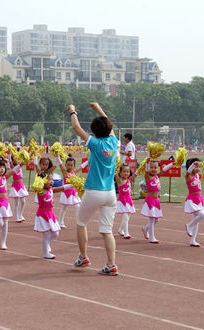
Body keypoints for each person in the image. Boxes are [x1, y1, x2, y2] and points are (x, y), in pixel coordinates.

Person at [68, 102, 119, 276]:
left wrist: (73, 110)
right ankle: (111, 264)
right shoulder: (113, 141)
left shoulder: (95, 144)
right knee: (107, 230)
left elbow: (76, 126)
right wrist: (98, 109)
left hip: (94, 191)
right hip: (111, 193)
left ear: (95, 131)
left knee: (81, 223)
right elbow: (109, 125)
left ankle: (83, 256)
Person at [34, 172, 73, 259]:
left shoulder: (51, 189)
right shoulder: (40, 191)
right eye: (49, 180)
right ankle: (45, 253)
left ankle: (47, 244)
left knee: (55, 233)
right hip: (42, 214)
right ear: (42, 181)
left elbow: (61, 188)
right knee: (46, 234)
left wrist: (72, 185)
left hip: (50, 213)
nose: (51, 182)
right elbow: (37, 184)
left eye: (52, 180)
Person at [0, 159, 20, 250]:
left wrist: (20, 164)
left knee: (5, 222)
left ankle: (3, 243)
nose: (2, 169)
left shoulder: (4, 177)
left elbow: (13, 171)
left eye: (3, 167)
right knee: (0, 223)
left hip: (5, 201)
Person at [184, 158, 204, 247]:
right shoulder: (188, 176)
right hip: (192, 198)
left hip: (199, 198)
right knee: (201, 215)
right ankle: (189, 225)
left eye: (198, 167)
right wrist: (193, 165)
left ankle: (193, 240)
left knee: (197, 220)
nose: (198, 169)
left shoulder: (198, 176)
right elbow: (188, 172)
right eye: (196, 167)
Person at [140, 159, 163, 244]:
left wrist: (173, 164)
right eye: (151, 167)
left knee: (156, 219)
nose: (153, 169)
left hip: (156, 200)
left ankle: (145, 228)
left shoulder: (157, 176)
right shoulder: (148, 176)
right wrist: (147, 163)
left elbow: (164, 170)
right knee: (152, 219)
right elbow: (146, 171)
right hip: (150, 199)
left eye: (155, 167)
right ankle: (152, 237)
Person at [56, 154, 81, 228]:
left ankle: (79, 222)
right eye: (68, 165)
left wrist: (88, 161)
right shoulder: (64, 172)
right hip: (66, 193)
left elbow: (81, 167)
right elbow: (60, 164)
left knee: (77, 206)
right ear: (65, 165)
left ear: (74, 166)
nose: (69, 167)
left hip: (73, 192)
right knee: (64, 207)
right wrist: (57, 156)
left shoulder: (74, 172)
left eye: (71, 165)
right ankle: (60, 222)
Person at [115, 164, 135, 239]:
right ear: (120, 172)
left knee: (128, 216)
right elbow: (115, 174)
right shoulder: (119, 180)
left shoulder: (129, 180)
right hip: (122, 200)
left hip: (129, 200)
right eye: (124, 171)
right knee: (125, 216)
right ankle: (126, 233)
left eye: (128, 171)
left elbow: (136, 174)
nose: (126, 173)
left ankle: (120, 229)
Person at [8, 153, 29, 223]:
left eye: (18, 159)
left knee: (23, 201)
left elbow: (25, 160)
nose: (17, 160)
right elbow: (10, 162)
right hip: (15, 185)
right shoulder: (12, 167)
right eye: (15, 159)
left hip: (21, 185)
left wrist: (28, 154)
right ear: (13, 160)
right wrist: (9, 155)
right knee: (16, 203)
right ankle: (17, 217)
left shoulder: (19, 166)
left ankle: (21, 215)